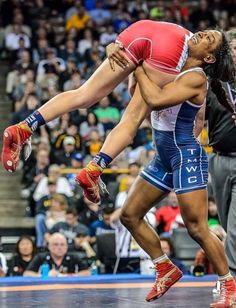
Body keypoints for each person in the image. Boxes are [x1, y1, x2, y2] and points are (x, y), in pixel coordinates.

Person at [1, 21, 232, 183]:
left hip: (138, 33)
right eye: (207, 32)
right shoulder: (194, 75)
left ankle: (23, 128)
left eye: (209, 37)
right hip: (160, 47)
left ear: (210, 57)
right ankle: (93, 170)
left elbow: (133, 90)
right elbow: (156, 100)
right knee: (131, 121)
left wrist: (123, 51)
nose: (202, 33)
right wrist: (141, 68)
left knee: (84, 95)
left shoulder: (189, 54)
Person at [109, 59, 236, 307]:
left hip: (186, 154)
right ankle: (164, 266)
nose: (197, 38)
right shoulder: (166, 71)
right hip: (164, 155)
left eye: (206, 38)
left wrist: (138, 65)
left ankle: (229, 284)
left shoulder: (196, 76)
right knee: (129, 215)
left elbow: (155, 100)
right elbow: (139, 97)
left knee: (196, 228)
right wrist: (138, 74)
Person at [206, 29, 236, 277]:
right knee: (226, 222)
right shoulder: (212, 82)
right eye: (232, 49)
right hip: (218, 158)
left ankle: (232, 280)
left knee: (235, 227)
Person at [24, 233, 89, 277]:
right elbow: (27, 274)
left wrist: (66, 276)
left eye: (62, 244)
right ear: (49, 246)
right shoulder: (40, 257)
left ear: (67, 247)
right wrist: (45, 276)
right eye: (56, 244)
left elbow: (87, 273)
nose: (59, 247)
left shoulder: (74, 257)